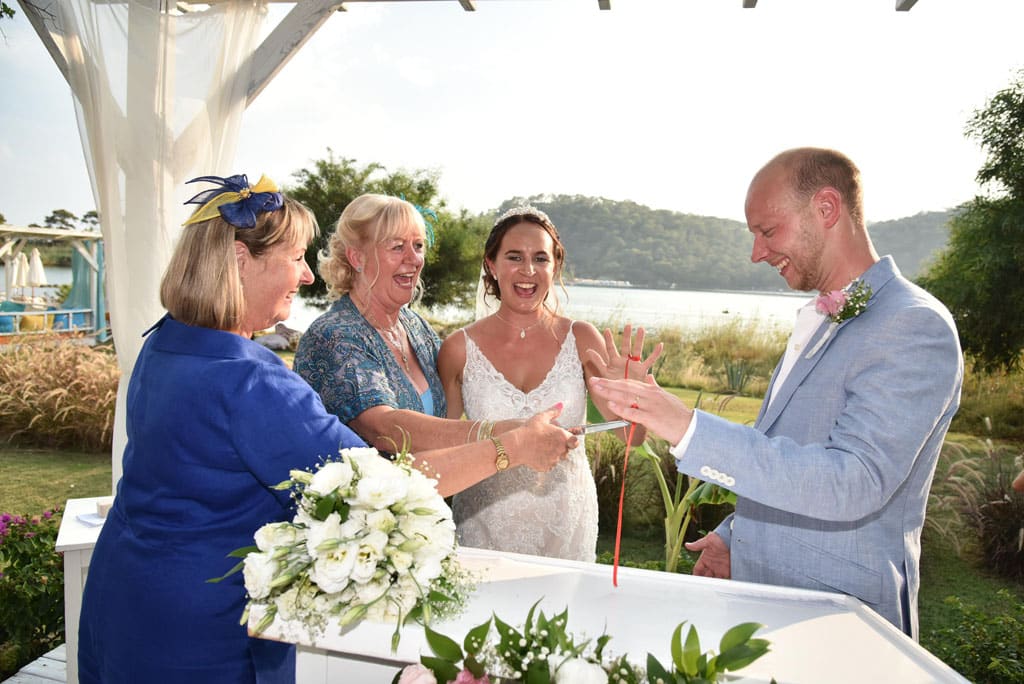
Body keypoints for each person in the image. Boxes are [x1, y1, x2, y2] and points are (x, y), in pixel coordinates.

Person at [588, 148, 963, 640]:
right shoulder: (822, 316)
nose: (756, 252)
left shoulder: (914, 325)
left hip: (842, 622)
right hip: (766, 609)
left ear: (826, 209)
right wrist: (734, 536)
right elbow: (793, 448)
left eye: (767, 231)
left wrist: (686, 426)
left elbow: (853, 481)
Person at [77, 174, 369, 683]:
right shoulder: (249, 379)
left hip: (125, 599)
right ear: (239, 260)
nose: (307, 277)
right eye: (296, 257)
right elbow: (373, 485)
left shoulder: (165, 341)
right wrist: (505, 447)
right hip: (201, 633)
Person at [294, 194, 576, 496]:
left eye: (418, 246)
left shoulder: (416, 329)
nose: (414, 260)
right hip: (356, 526)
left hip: (419, 519)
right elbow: (384, 429)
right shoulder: (335, 335)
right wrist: (508, 435)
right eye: (397, 247)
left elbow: (447, 420)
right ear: (357, 257)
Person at [436, 206, 661, 562]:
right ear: (491, 265)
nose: (528, 271)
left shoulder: (582, 338)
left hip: (567, 521)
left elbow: (631, 438)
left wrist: (633, 398)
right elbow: (442, 443)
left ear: (554, 267)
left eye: (540, 258)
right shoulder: (457, 349)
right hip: (482, 523)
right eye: (514, 257)